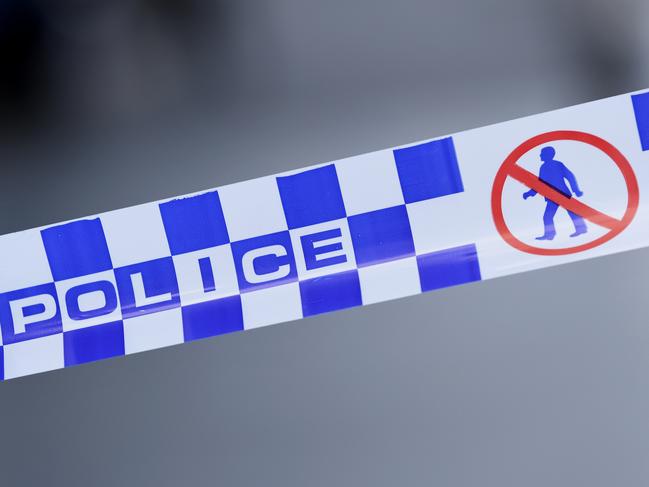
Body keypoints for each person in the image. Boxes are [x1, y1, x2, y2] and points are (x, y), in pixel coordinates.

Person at [522, 146, 587, 240]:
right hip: (554, 196)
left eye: (542, 153)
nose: (540, 155)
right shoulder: (544, 167)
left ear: (547, 155)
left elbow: (569, 176)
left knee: (566, 213)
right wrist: (529, 193)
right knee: (550, 216)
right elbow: (540, 184)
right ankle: (551, 234)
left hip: (561, 194)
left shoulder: (555, 165)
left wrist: (576, 190)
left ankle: (578, 229)